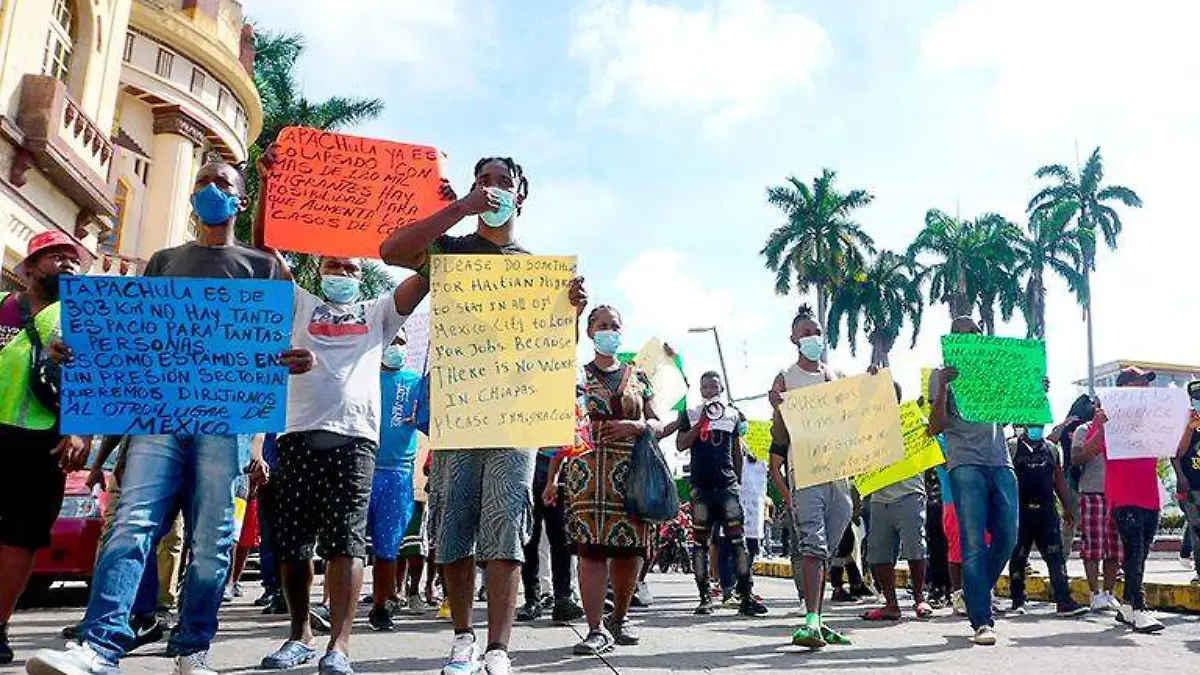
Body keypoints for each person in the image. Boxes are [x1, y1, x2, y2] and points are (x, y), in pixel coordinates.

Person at [29, 160, 308, 675]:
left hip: (226, 422)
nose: (210, 189)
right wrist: (84, 352)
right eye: (202, 181)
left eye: (222, 183)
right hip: (158, 417)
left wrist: (294, 360)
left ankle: (192, 648)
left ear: (241, 200)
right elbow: (132, 341)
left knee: (212, 539)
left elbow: (277, 343)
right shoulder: (162, 261)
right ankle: (100, 646)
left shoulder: (263, 267)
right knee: (131, 524)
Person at [379, 156, 587, 675]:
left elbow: (556, 353)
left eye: (502, 182)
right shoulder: (450, 252)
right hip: (459, 412)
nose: (492, 189)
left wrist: (572, 314)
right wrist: (460, 209)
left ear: (521, 194)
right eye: (483, 182)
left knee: (506, 527)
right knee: (454, 526)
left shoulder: (537, 270)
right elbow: (392, 250)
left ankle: (498, 647)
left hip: (515, 417)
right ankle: (462, 638)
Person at [259, 256, 427, 675]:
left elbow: (423, 280)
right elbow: (267, 250)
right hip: (297, 434)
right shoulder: (299, 302)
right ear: (319, 271)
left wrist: (436, 236)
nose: (342, 274)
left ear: (361, 275)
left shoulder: (377, 313)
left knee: (347, 543)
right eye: (334, 266)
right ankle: (300, 635)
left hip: (355, 442)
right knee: (293, 543)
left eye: (350, 268)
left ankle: (339, 646)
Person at [543, 305, 662, 656]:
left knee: (629, 550)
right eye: (602, 325)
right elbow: (564, 429)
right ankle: (595, 628)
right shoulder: (576, 378)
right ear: (590, 331)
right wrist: (553, 478)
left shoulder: (639, 377)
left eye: (615, 325)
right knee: (590, 550)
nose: (609, 330)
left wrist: (636, 426)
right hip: (587, 474)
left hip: (631, 474)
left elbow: (657, 422)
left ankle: (619, 618)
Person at [0, 231, 92, 664]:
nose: (67, 265)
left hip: (45, 442)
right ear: (31, 266)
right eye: (56, 256)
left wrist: (79, 431)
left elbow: (97, 382)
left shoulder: (83, 319)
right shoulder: (3, 306)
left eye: (73, 260)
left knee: (22, 539)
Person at [766, 304, 857, 649]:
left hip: (837, 475)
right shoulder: (785, 377)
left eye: (817, 332)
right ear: (794, 339)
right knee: (813, 545)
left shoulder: (834, 376)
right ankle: (811, 621)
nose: (813, 338)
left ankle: (818, 618)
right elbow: (780, 434)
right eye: (806, 333)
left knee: (827, 549)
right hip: (805, 472)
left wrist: (871, 382)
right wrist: (777, 405)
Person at [927, 316, 1020, 646]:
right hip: (965, 464)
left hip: (1000, 461)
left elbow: (1007, 416)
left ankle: (973, 592)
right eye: (962, 334)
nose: (969, 338)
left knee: (1008, 536)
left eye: (974, 333)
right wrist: (944, 388)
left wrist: (1032, 389)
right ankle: (981, 620)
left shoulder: (992, 371)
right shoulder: (939, 375)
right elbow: (934, 427)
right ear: (952, 340)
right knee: (972, 542)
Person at [677, 371, 768, 617]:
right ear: (700, 390)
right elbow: (681, 444)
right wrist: (700, 424)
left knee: (738, 542)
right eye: (706, 387)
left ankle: (745, 596)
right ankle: (704, 597)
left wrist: (736, 482)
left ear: (721, 389)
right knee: (700, 544)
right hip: (701, 488)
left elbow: (737, 451)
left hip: (727, 487)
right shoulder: (690, 413)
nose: (710, 391)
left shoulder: (732, 414)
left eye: (714, 387)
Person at [1082, 367, 1166, 633]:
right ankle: (1139, 610)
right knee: (1133, 552)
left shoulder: (1151, 418)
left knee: (1141, 555)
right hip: (1124, 496)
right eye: (1140, 383)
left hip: (1150, 496)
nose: (1146, 388)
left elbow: (1172, 447)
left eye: (1146, 383)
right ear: (1125, 388)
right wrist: (1104, 426)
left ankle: (1128, 607)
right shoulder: (1106, 416)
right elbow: (1085, 453)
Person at [362, 333, 423, 632]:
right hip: (361, 467)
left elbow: (431, 421)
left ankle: (380, 606)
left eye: (401, 341)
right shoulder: (363, 377)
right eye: (391, 340)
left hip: (397, 473)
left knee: (388, 547)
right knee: (346, 546)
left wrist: (422, 414)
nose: (395, 347)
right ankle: (334, 604)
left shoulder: (416, 382)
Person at [861, 383, 933, 622]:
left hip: (909, 494)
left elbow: (931, 434)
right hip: (879, 498)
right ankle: (891, 604)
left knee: (915, 548)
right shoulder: (867, 426)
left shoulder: (912, 420)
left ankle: (919, 599)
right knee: (879, 553)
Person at [1006, 426, 1088, 617]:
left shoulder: (1051, 449)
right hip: (1020, 511)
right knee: (1019, 555)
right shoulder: (1012, 447)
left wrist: (1067, 507)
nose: (1038, 428)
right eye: (1034, 424)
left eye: (1041, 425)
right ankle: (1017, 600)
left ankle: (1064, 600)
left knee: (1055, 556)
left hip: (1047, 511)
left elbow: (1058, 480)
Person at [517, 446, 585, 623]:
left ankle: (562, 597)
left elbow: (563, 443)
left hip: (554, 470)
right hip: (527, 470)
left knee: (560, 538)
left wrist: (553, 479)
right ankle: (532, 598)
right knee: (530, 539)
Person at [1069, 400, 1123, 613]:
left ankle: (1109, 592)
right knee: (1093, 546)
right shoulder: (1084, 429)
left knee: (1115, 547)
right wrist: (1100, 431)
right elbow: (1077, 458)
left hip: (1117, 493)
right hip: (1092, 492)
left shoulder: (1121, 430)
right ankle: (1095, 593)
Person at [1173, 381, 1200, 585]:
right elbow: (1176, 453)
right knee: (1197, 531)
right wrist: (1181, 477)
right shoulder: (1184, 422)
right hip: (1193, 486)